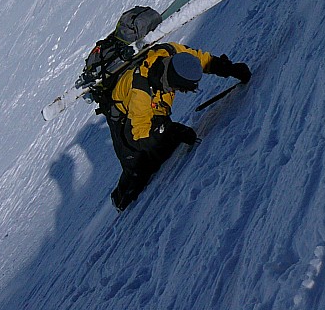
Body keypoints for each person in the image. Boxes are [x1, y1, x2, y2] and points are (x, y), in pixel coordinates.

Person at [105, 41, 251, 211]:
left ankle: (162, 142)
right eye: (183, 88)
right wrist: (170, 131)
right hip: (124, 119)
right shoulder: (140, 93)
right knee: (139, 165)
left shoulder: (173, 52)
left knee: (164, 147)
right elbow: (137, 136)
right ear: (175, 82)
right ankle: (121, 202)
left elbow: (201, 60)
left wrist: (230, 69)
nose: (183, 92)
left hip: (156, 104)